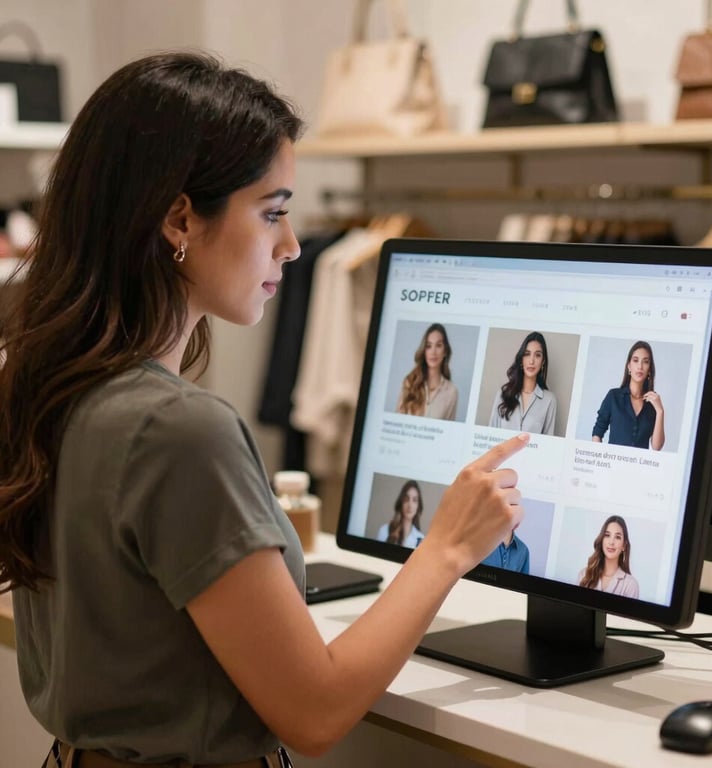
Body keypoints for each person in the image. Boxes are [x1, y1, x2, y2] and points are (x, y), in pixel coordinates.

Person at [0, 52, 530, 767]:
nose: (291, 245)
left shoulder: (52, 384)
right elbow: (315, 713)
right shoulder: (177, 430)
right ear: (179, 219)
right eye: (273, 212)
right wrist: (447, 548)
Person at [592, 340, 665, 450]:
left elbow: (656, 447)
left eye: (645, 362)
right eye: (635, 360)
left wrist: (660, 411)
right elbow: (597, 433)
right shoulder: (613, 397)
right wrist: (601, 461)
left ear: (649, 369)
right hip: (613, 464)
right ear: (629, 366)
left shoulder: (652, 403)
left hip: (640, 466)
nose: (640, 366)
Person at [489, 331, 556, 434]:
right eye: (527, 354)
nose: (531, 361)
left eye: (537, 355)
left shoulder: (549, 400)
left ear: (543, 362)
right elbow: (490, 434)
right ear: (521, 359)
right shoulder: (503, 394)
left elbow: (548, 444)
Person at [396, 322, 458, 420]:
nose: (433, 352)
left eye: (438, 345)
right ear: (424, 351)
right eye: (429, 346)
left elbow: (448, 432)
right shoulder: (409, 382)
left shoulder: (451, 392)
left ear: (445, 351)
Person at [577, 515, 639, 598]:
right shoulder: (584, 575)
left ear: (624, 545)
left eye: (617, 537)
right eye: (607, 535)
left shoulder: (630, 585)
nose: (611, 542)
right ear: (602, 539)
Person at [376, 480, 426, 548]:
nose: (410, 505)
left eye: (414, 500)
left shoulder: (421, 539)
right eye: (406, 499)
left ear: (418, 506)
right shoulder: (384, 531)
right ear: (401, 502)